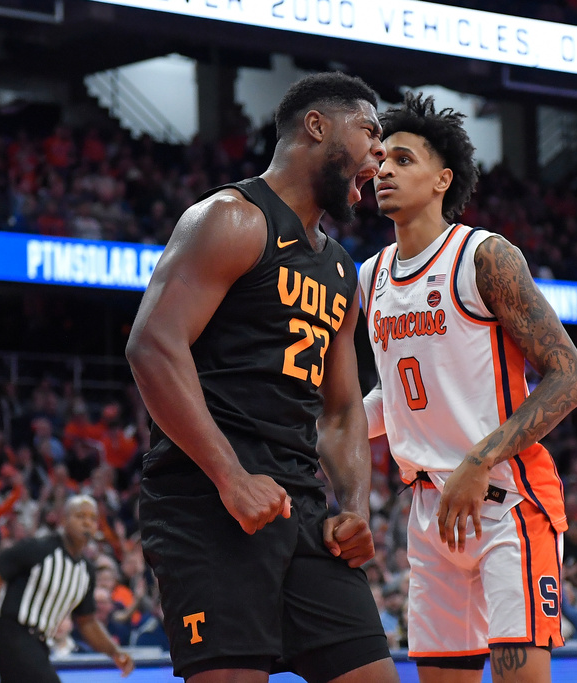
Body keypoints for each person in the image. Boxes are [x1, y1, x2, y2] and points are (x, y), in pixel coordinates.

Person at [126, 72, 398, 683]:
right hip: (207, 501)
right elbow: (153, 345)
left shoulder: (339, 268)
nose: (380, 153)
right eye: (370, 131)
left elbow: (341, 410)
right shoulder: (232, 218)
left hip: (301, 507)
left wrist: (355, 509)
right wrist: (231, 478)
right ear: (317, 126)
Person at [359, 93, 577, 682]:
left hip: (507, 499)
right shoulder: (370, 276)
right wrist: (322, 436)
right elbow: (395, 397)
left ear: (443, 180)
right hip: (431, 509)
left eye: (403, 160)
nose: (384, 171)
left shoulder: (483, 256)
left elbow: (570, 377)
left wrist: (478, 459)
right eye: (381, 160)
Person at [0, 494, 133, 682]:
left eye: (93, 518)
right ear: (64, 520)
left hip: (38, 644)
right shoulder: (37, 549)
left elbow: (87, 623)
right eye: (80, 516)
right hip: (9, 634)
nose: (87, 523)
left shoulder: (86, 571)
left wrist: (114, 652)